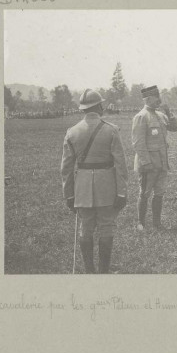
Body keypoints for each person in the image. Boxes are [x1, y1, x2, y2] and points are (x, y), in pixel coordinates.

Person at [60, 89, 128, 274]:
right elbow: (121, 164)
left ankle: (90, 271)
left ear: (83, 109)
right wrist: (122, 192)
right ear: (99, 106)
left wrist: (69, 195)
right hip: (107, 187)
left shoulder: (72, 132)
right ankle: (103, 271)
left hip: (81, 189)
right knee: (106, 227)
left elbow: (65, 168)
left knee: (86, 227)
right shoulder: (111, 130)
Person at [131, 85, 177, 231]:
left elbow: (176, 128)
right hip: (148, 164)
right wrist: (146, 162)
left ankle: (157, 223)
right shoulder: (141, 117)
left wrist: (169, 113)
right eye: (156, 98)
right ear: (148, 99)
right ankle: (140, 223)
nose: (159, 100)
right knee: (144, 193)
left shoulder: (160, 115)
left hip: (162, 163)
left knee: (159, 193)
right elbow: (138, 143)